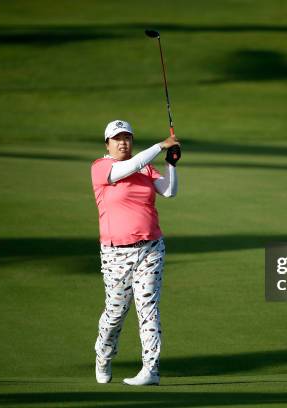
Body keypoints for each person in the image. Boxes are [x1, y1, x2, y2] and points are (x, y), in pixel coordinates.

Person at [91, 119, 181, 386]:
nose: (123, 142)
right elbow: (127, 168)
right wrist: (159, 146)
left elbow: (170, 192)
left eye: (127, 137)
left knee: (148, 308)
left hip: (150, 248)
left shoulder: (146, 168)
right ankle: (104, 355)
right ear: (107, 143)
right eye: (117, 138)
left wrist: (172, 165)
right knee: (116, 312)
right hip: (115, 253)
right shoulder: (101, 167)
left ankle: (150, 369)